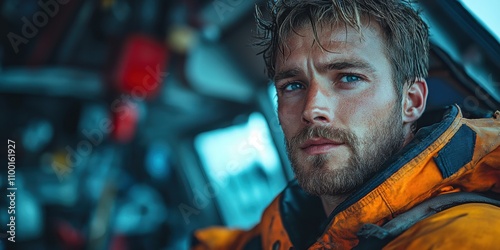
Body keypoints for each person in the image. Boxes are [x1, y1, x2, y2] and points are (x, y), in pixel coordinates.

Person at [192, 0, 500, 249]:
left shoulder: (465, 236)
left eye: (349, 78)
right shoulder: (298, 217)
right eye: (292, 86)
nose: (312, 109)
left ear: (412, 101)